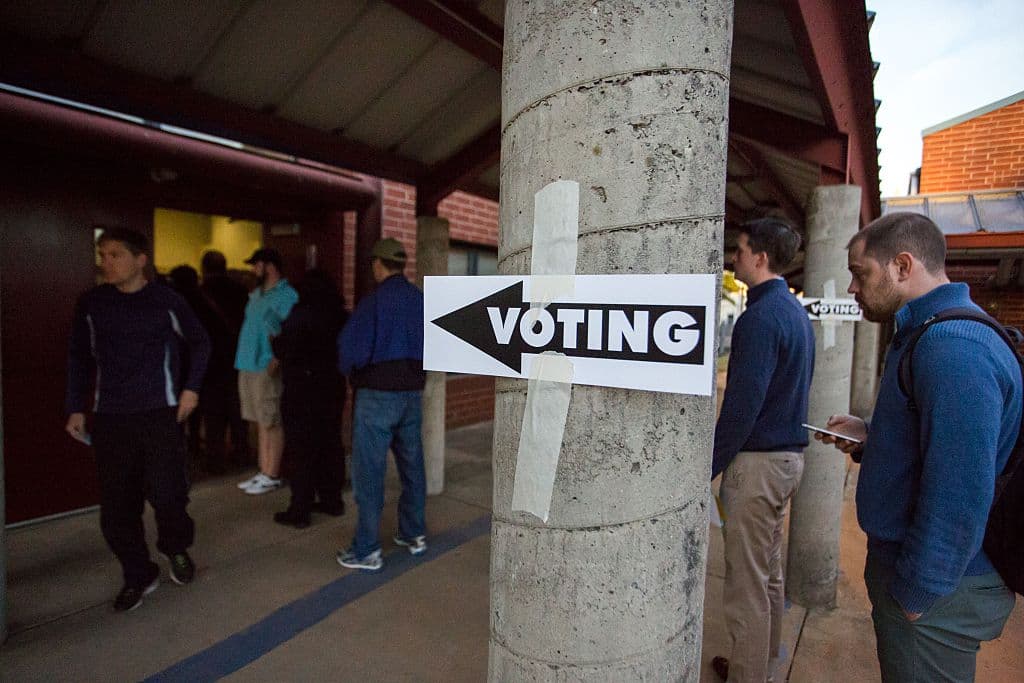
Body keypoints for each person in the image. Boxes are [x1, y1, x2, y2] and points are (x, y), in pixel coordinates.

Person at [816, 212, 1019, 683]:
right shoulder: (930, 333)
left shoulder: (952, 348)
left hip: (938, 593)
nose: (851, 289)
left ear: (903, 266)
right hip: (929, 581)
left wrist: (917, 593)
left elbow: (960, 490)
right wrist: (872, 436)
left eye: (860, 272)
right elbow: (937, 445)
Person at [65, 228, 211, 612]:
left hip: (159, 413)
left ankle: (175, 547)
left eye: (115, 255)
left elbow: (200, 341)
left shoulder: (166, 301)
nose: (106, 263)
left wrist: (191, 389)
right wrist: (75, 406)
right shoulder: (92, 304)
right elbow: (79, 356)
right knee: (116, 510)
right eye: (103, 255)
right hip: (111, 417)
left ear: (140, 259)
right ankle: (138, 572)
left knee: (169, 498)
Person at [710, 218, 815, 683]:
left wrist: (706, 467)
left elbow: (741, 408)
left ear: (762, 258)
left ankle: (747, 675)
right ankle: (762, 662)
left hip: (757, 468)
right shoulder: (794, 313)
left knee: (746, 587)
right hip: (788, 462)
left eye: (741, 249)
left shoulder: (759, 319)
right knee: (768, 574)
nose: (735, 257)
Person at [336, 238, 427, 572]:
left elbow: (350, 351)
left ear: (378, 264)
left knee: (369, 473)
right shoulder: (420, 300)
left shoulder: (373, 303)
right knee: (412, 465)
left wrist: (349, 373)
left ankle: (367, 550)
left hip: (376, 396)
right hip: (412, 395)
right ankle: (414, 534)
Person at [270, 269, 348, 528]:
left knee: (301, 449)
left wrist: (275, 341)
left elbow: (284, 348)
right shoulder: (340, 315)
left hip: (301, 389)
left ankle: (300, 509)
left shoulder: (299, 315)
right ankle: (332, 500)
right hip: (332, 387)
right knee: (330, 443)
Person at [234, 247, 298, 495]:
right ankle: (263, 470)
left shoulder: (287, 295)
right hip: (247, 362)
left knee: (271, 419)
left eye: (256, 265)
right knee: (260, 420)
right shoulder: (256, 294)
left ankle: (272, 473)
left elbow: (286, 331)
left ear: (269, 266)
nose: (253, 269)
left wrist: (277, 357)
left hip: (266, 364)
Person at [168, 264, 234, 473]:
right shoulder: (205, 302)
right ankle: (214, 458)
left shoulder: (179, 306)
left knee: (185, 416)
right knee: (214, 416)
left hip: (192, 368)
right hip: (216, 367)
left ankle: (188, 455)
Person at [200, 250, 251, 468]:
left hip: (210, 360)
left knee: (213, 414)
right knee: (237, 409)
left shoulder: (200, 293)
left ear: (204, 268)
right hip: (237, 356)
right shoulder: (240, 291)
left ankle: (215, 457)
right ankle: (241, 452)